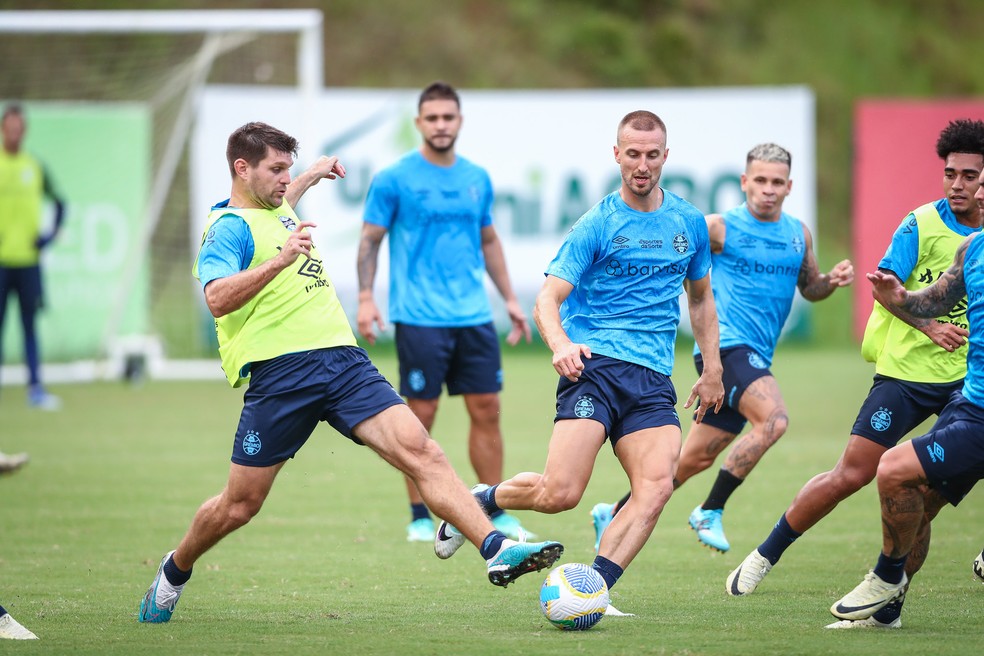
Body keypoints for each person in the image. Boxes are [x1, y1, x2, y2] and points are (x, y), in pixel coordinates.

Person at [137, 122, 563, 624]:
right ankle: (175, 569)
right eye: (276, 169)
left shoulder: (276, 206)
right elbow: (215, 297)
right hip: (282, 375)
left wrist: (312, 174)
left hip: (343, 361)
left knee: (422, 450)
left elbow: (282, 201)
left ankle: (495, 548)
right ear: (242, 169)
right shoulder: (228, 227)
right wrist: (280, 261)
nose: (285, 179)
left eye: (289, 170)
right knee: (239, 505)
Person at [432, 110, 725, 601]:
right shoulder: (597, 223)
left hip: (653, 378)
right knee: (560, 494)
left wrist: (713, 367)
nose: (642, 165)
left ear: (666, 157)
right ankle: (480, 499)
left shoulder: (689, 223)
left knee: (656, 489)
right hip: (594, 368)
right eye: (633, 154)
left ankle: (593, 590)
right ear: (617, 155)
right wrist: (561, 344)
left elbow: (700, 299)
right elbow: (547, 300)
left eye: (652, 155)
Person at [727, 118, 984, 630]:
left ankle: (887, 606)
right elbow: (887, 289)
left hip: (967, 383)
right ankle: (765, 554)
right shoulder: (923, 225)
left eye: (970, 176)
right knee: (853, 472)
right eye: (950, 174)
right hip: (909, 373)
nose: (958, 185)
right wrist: (928, 326)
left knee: (921, 496)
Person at [590, 143, 854, 553]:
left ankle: (613, 511)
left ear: (789, 187)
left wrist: (830, 282)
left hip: (756, 354)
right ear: (745, 182)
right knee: (774, 420)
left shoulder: (798, 234)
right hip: (725, 349)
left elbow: (810, 287)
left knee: (690, 461)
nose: (768, 189)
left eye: (777, 182)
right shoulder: (717, 228)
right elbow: (675, 253)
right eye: (760, 180)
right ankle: (710, 509)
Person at [357, 82, 534, 543]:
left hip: (473, 315)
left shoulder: (477, 178)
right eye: (432, 118)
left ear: (459, 121)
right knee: (419, 416)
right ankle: (420, 516)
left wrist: (510, 299)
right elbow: (370, 240)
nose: (440, 125)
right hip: (419, 317)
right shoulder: (394, 178)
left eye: (447, 117)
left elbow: (488, 240)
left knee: (488, 409)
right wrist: (365, 297)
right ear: (419, 123)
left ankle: (493, 507)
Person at [830, 174, 984, 624]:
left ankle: (886, 575)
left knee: (893, 468)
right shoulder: (972, 249)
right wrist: (898, 296)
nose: (977, 193)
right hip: (971, 403)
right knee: (919, 502)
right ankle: (887, 611)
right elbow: (933, 302)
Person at [0, 103, 65, 410]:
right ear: (3, 129)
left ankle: (35, 388)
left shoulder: (34, 166)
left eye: (19, 128)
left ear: (23, 131)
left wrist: (48, 237)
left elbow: (60, 202)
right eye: (10, 128)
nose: (14, 133)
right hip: (1, 263)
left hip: (28, 262)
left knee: (29, 326)